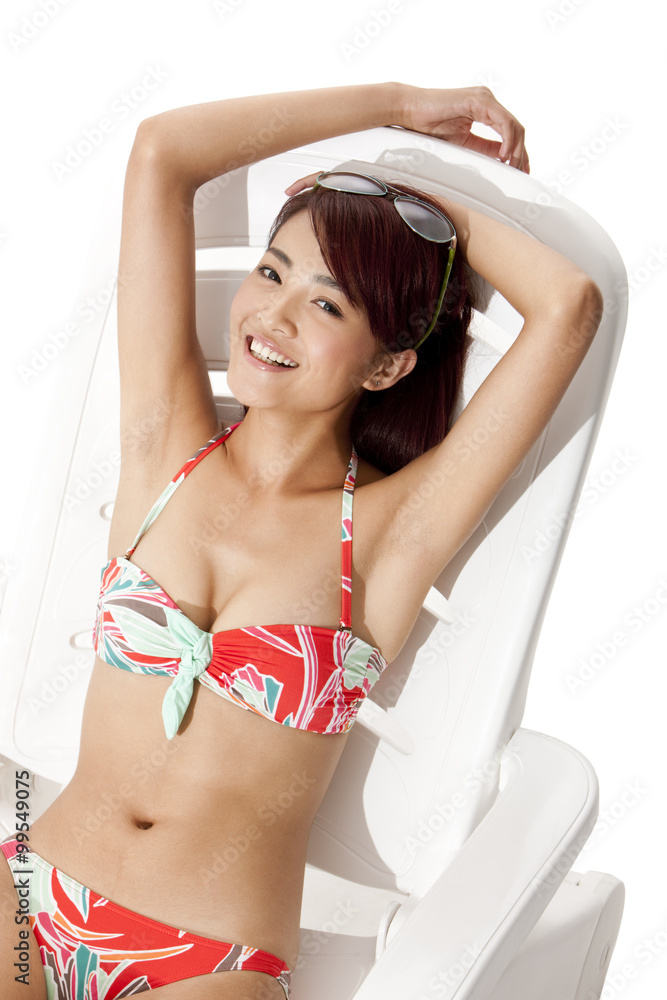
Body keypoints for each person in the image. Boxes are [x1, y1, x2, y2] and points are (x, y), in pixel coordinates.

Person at [0, 82, 603, 1000]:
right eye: (273, 273)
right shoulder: (163, 447)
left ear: (390, 361)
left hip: (207, 962)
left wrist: (428, 212)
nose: (272, 317)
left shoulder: (394, 533)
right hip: (27, 891)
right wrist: (395, 112)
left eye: (328, 306)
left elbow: (569, 304)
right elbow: (163, 153)